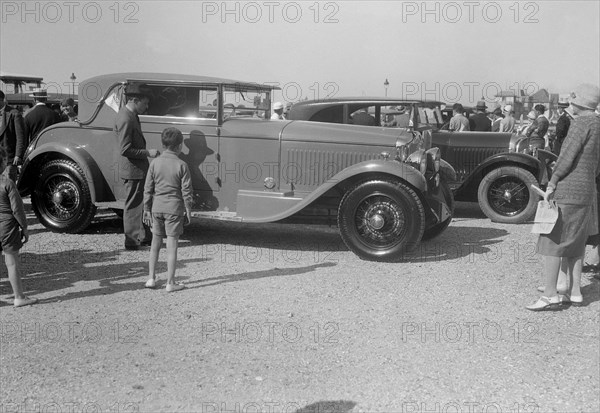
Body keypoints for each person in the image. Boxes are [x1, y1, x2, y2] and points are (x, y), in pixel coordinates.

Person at [527, 83, 600, 311]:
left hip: (568, 189)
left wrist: (553, 180)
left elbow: (566, 157)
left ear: (581, 102)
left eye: (573, 100)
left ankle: (550, 295)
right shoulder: (598, 124)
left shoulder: (581, 124)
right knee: (576, 242)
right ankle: (572, 291)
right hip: (587, 190)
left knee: (552, 241)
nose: (570, 104)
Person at [143, 127, 193, 292]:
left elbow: (148, 188)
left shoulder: (155, 163)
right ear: (179, 146)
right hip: (174, 209)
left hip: (157, 208)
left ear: (163, 144)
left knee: (155, 243)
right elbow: (186, 191)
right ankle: (170, 282)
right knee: (172, 246)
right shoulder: (182, 165)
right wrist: (188, 209)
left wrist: (146, 208)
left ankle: (151, 278)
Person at [115, 83, 159, 250]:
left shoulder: (130, 115)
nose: (146, 107)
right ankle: (132, 242)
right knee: (133, 206)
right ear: (134, 99)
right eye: (145, 103)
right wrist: (148, 153)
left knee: (139, 204)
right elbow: (125, 149)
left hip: (136, 169)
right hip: (133, 169)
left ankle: (142, 237)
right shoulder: (126, 118)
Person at [0, 147, 37, 307]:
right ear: (3, 163)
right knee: (12, 263)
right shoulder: (7, 184)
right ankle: (19, 297)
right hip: (7, 225)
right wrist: (25, 228)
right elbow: (17, 209)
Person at [0, 90, 26, 182]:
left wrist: (18, 155)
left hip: (9, 159)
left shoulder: (14, 113)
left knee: (8, 187)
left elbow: (20, 137)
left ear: (1, 100)